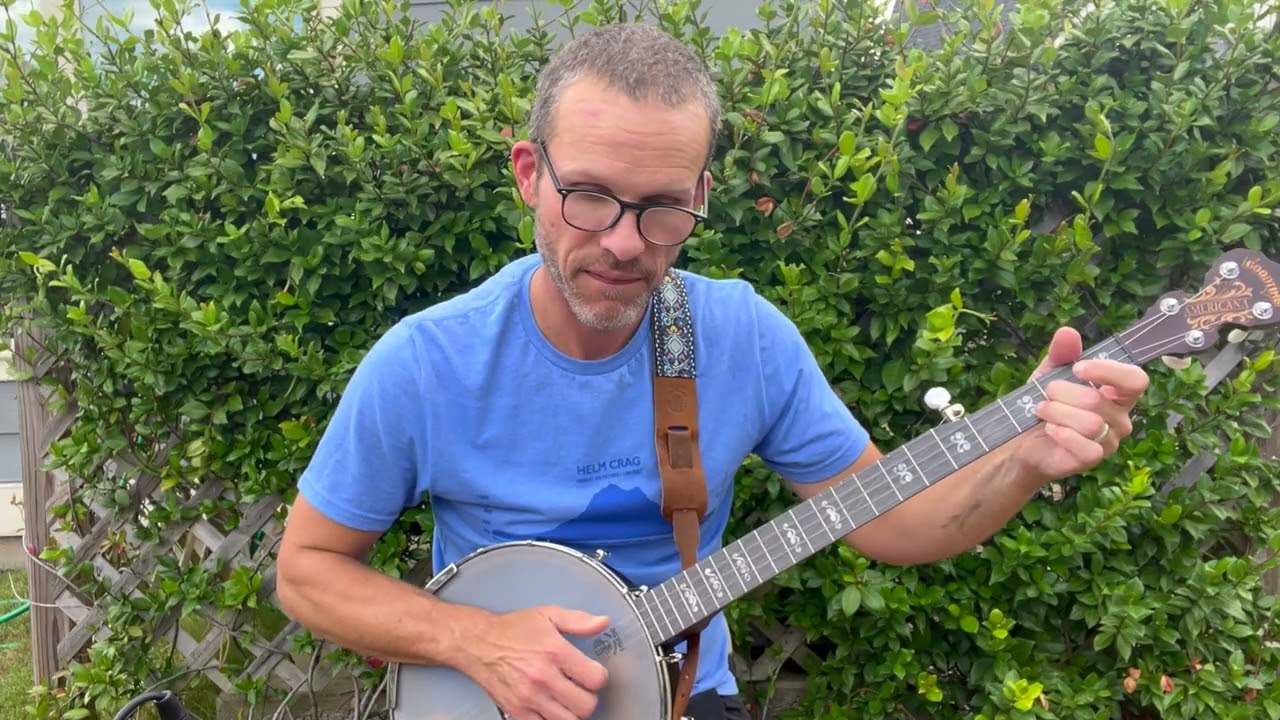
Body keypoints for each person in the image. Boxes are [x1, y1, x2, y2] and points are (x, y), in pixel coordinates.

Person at [274, 22, 1150, 720]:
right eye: (590, 198)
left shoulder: (740, 338)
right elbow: (307, 569)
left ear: (699, 197)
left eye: (662, 207)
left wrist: (1022, 460)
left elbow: (894, 523)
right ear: (530, 175)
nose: (625, 244)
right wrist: (478, 643)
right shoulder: (429, 362)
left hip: (688, 692)